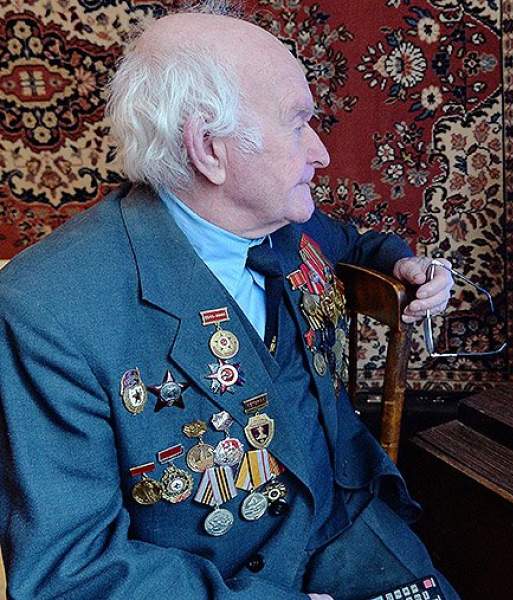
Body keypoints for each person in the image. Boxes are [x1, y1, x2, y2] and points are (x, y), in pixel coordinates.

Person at [0, 6, 460, 600]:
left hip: (346, 518)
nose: (321, 152)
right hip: (226, 575)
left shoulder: (283, 220)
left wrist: (400, 262)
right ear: (209, 148)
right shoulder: (48, 311)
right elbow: (73, 573)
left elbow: (351, 243)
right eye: (298, 124)